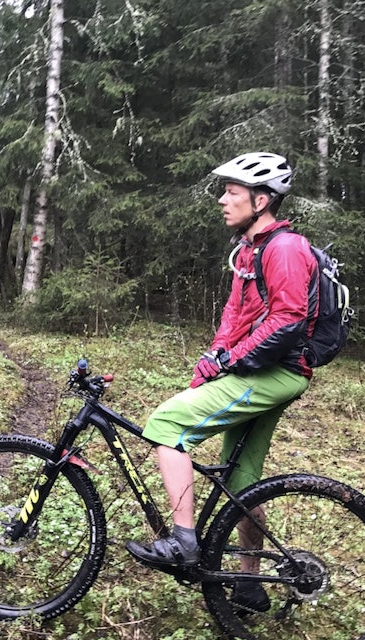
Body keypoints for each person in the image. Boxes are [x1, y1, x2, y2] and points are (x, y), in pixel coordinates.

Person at [126, 151, 317, 614]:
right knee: (243, 478)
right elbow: (238, 316)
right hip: (264, 370)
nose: (222, 200)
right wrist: (211, 361)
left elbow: (289, 318)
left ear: (262, 199)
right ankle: (249, 585)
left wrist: (231, 360)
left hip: (275, 372)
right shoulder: (250, 250)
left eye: (232, 193)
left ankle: (184, 541)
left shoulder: (286, 248)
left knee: (167, 424)